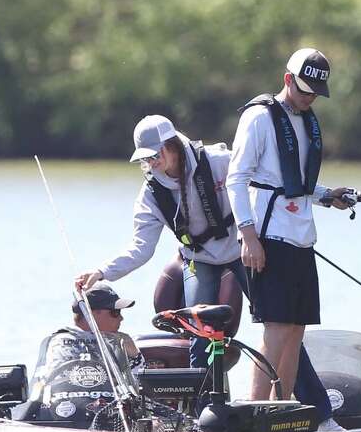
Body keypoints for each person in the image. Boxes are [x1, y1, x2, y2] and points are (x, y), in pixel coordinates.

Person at [225, 47, 359, 407]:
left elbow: (297, 182)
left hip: (301, 236)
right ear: (288, 79)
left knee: (297, 329)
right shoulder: (258, 117)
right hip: (268, 234)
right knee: (277, 326)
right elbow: (236, 179)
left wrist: (328, 195)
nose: (309, 98)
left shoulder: (307, 120)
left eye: (316, 93)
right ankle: (256, 408)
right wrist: (248, 236)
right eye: (304, 90)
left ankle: (281, 406)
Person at [74, 114, 244, 370]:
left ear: (172, 144)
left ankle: (298, 388)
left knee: (277, 320)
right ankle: (200, 390)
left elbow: (264, 183)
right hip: (199, 259)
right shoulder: (151, 195)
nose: (151, 162)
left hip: (243, 249)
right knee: (199, 333)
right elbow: (140, 248)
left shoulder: (220, 162)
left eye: (155, 154)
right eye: (145, 158)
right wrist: (101, 272)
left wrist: (316, 197)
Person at [14, 282, 144, 425]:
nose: (121, 318)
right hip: (63, 414)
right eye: (115, 312)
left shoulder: (119, 341)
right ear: (93, 313)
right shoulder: (58, 341)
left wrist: (134, 355)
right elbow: (50, 382)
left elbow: (139, 386)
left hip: (112, 416)